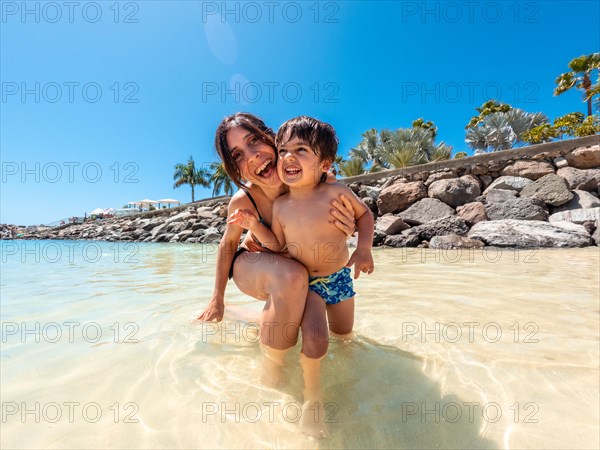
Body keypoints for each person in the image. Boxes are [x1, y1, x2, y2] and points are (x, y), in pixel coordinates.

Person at [196, 113, 357, 434]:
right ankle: (273, 374)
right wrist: (217, 299)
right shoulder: (245, 199)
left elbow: (344, 218)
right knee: (292, 277)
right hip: (251, 263)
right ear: (236, 167)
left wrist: (348, 227)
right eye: (238, 155)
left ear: (272, 138)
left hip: (297, 269)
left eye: (254, 140)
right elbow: (227, 247)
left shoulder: (310, 177)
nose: (252, 155)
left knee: (340, 333)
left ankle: (250, 320)